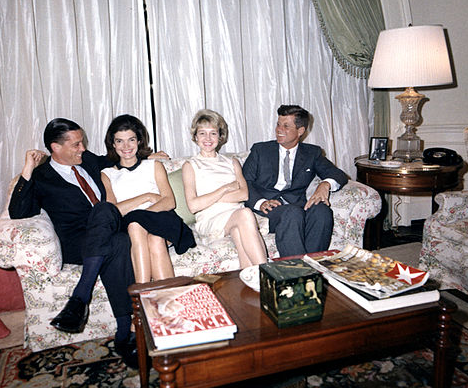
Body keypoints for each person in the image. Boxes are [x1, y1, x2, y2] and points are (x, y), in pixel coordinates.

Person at [8, 118, 140, 368]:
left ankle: (85, 303)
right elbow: (18, 212)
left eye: (82, 143)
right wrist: (27, 167)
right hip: (77, 243)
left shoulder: (88, 161)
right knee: (112, 226)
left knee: (116, 232)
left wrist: (151, 157)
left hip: (106, 231)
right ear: (55, 147)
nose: (83, 149)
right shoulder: (42, 177)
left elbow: (116, 158)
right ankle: (124, 332)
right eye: (77, 144)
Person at [242, 104, 348, 258]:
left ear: (300, 131)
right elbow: (246, 181)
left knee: (322, 211)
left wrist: (325, 184)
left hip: (297, 205)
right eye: (278, 124)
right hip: (267, 208)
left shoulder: (312, 153)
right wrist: (261, 202)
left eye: (286, 126)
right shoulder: (260, 150)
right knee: (293, 214)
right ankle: (298, 270)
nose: (279, 129)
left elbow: (338, 174)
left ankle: (314, 265)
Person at [101, 115, 195, 283]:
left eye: (131, 139)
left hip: (161, 219)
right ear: (113, 144)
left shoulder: (154, 165)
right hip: (130, 227)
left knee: (137, 224)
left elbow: (169, 202)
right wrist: (146, 197)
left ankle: (140, 294)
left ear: (139, 141)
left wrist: (142, 216)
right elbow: (113, 211)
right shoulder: (107, 174)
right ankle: (167, 299)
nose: (126, 146)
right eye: (120, 141)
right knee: (153, 238)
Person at [181, 109, 267, 268]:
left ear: (220, 136)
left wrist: (207, 198)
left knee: (239, 232)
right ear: (195, 137)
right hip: (210, 218)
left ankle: (252, 281)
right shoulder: (190, 165)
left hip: (235, 215)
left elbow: (244, 194)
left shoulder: (232, 162)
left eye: (213, 133)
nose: (208, 138)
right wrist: (226, 188)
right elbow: (193, 206)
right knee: (245, 214)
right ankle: (270, 274)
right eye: (202, 133)